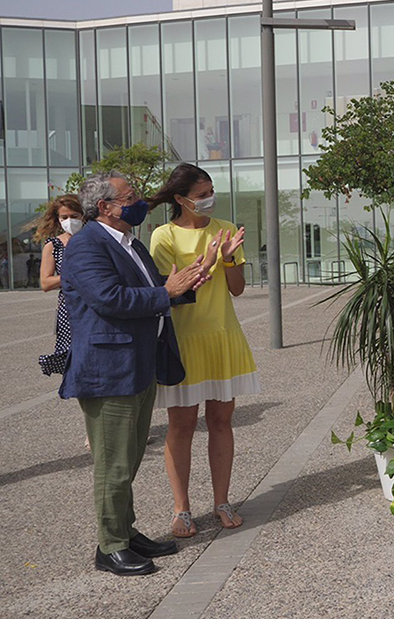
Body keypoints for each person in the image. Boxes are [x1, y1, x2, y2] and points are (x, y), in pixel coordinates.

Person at [61, 171, 207, 576]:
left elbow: (154, 286)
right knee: (114, 464)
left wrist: (188, 281)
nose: (139, 200)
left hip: (137, 364)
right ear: (104, 207)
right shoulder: (86, 246)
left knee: (130, 457)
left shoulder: (130, 243)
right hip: (109, 371)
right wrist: (167, 292)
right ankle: (110, 547)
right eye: (130, 196)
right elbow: (109, 298)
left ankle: (126, 531)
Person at [148, 163, 258, 538]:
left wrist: (227, 259)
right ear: (180, 199)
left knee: (221, 421)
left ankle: (222, 501)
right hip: (183, 338)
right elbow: (172, 290)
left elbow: (237, 288)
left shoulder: (225, 229)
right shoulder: (163, 236)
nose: (208, 199)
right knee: (181, 426)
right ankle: (181, 509)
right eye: (200, 195)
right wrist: (207, 261)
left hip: (222, 334)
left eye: (211, 191)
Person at [33, 194, 85, 377]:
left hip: (97, 302)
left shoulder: (94, 238)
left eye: (74, 216)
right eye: (64, 217)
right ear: (58, 219)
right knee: (73, 357)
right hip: (69, 307)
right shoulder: (53, 245)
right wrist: (72, 277)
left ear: (83, 215)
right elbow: (46, 282)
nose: (70, 221)